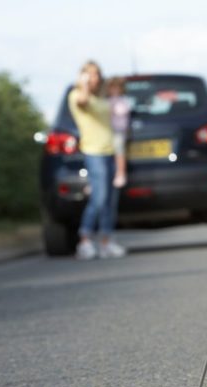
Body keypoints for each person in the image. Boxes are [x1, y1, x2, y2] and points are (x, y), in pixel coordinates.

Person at [68, 60, 125, 259]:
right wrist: (83, 83)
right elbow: (82, 101)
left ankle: (106, 241)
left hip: (111, 152)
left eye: (97, 74)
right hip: (94, 153)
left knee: (110, 200)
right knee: (99, 198)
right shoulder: (77, 95)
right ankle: (84, 240)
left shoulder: (101, 97)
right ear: (83, 75)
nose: (95, 78)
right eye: (91, 74)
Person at [107, 77, 129, 189]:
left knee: (119, 150)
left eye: (117, 87)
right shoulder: (108, 101)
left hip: (119, 131)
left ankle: (121, 173)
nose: (115, 90)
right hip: (108, 133)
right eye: (112, 87)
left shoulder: (122, 101)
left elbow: (121, 110)